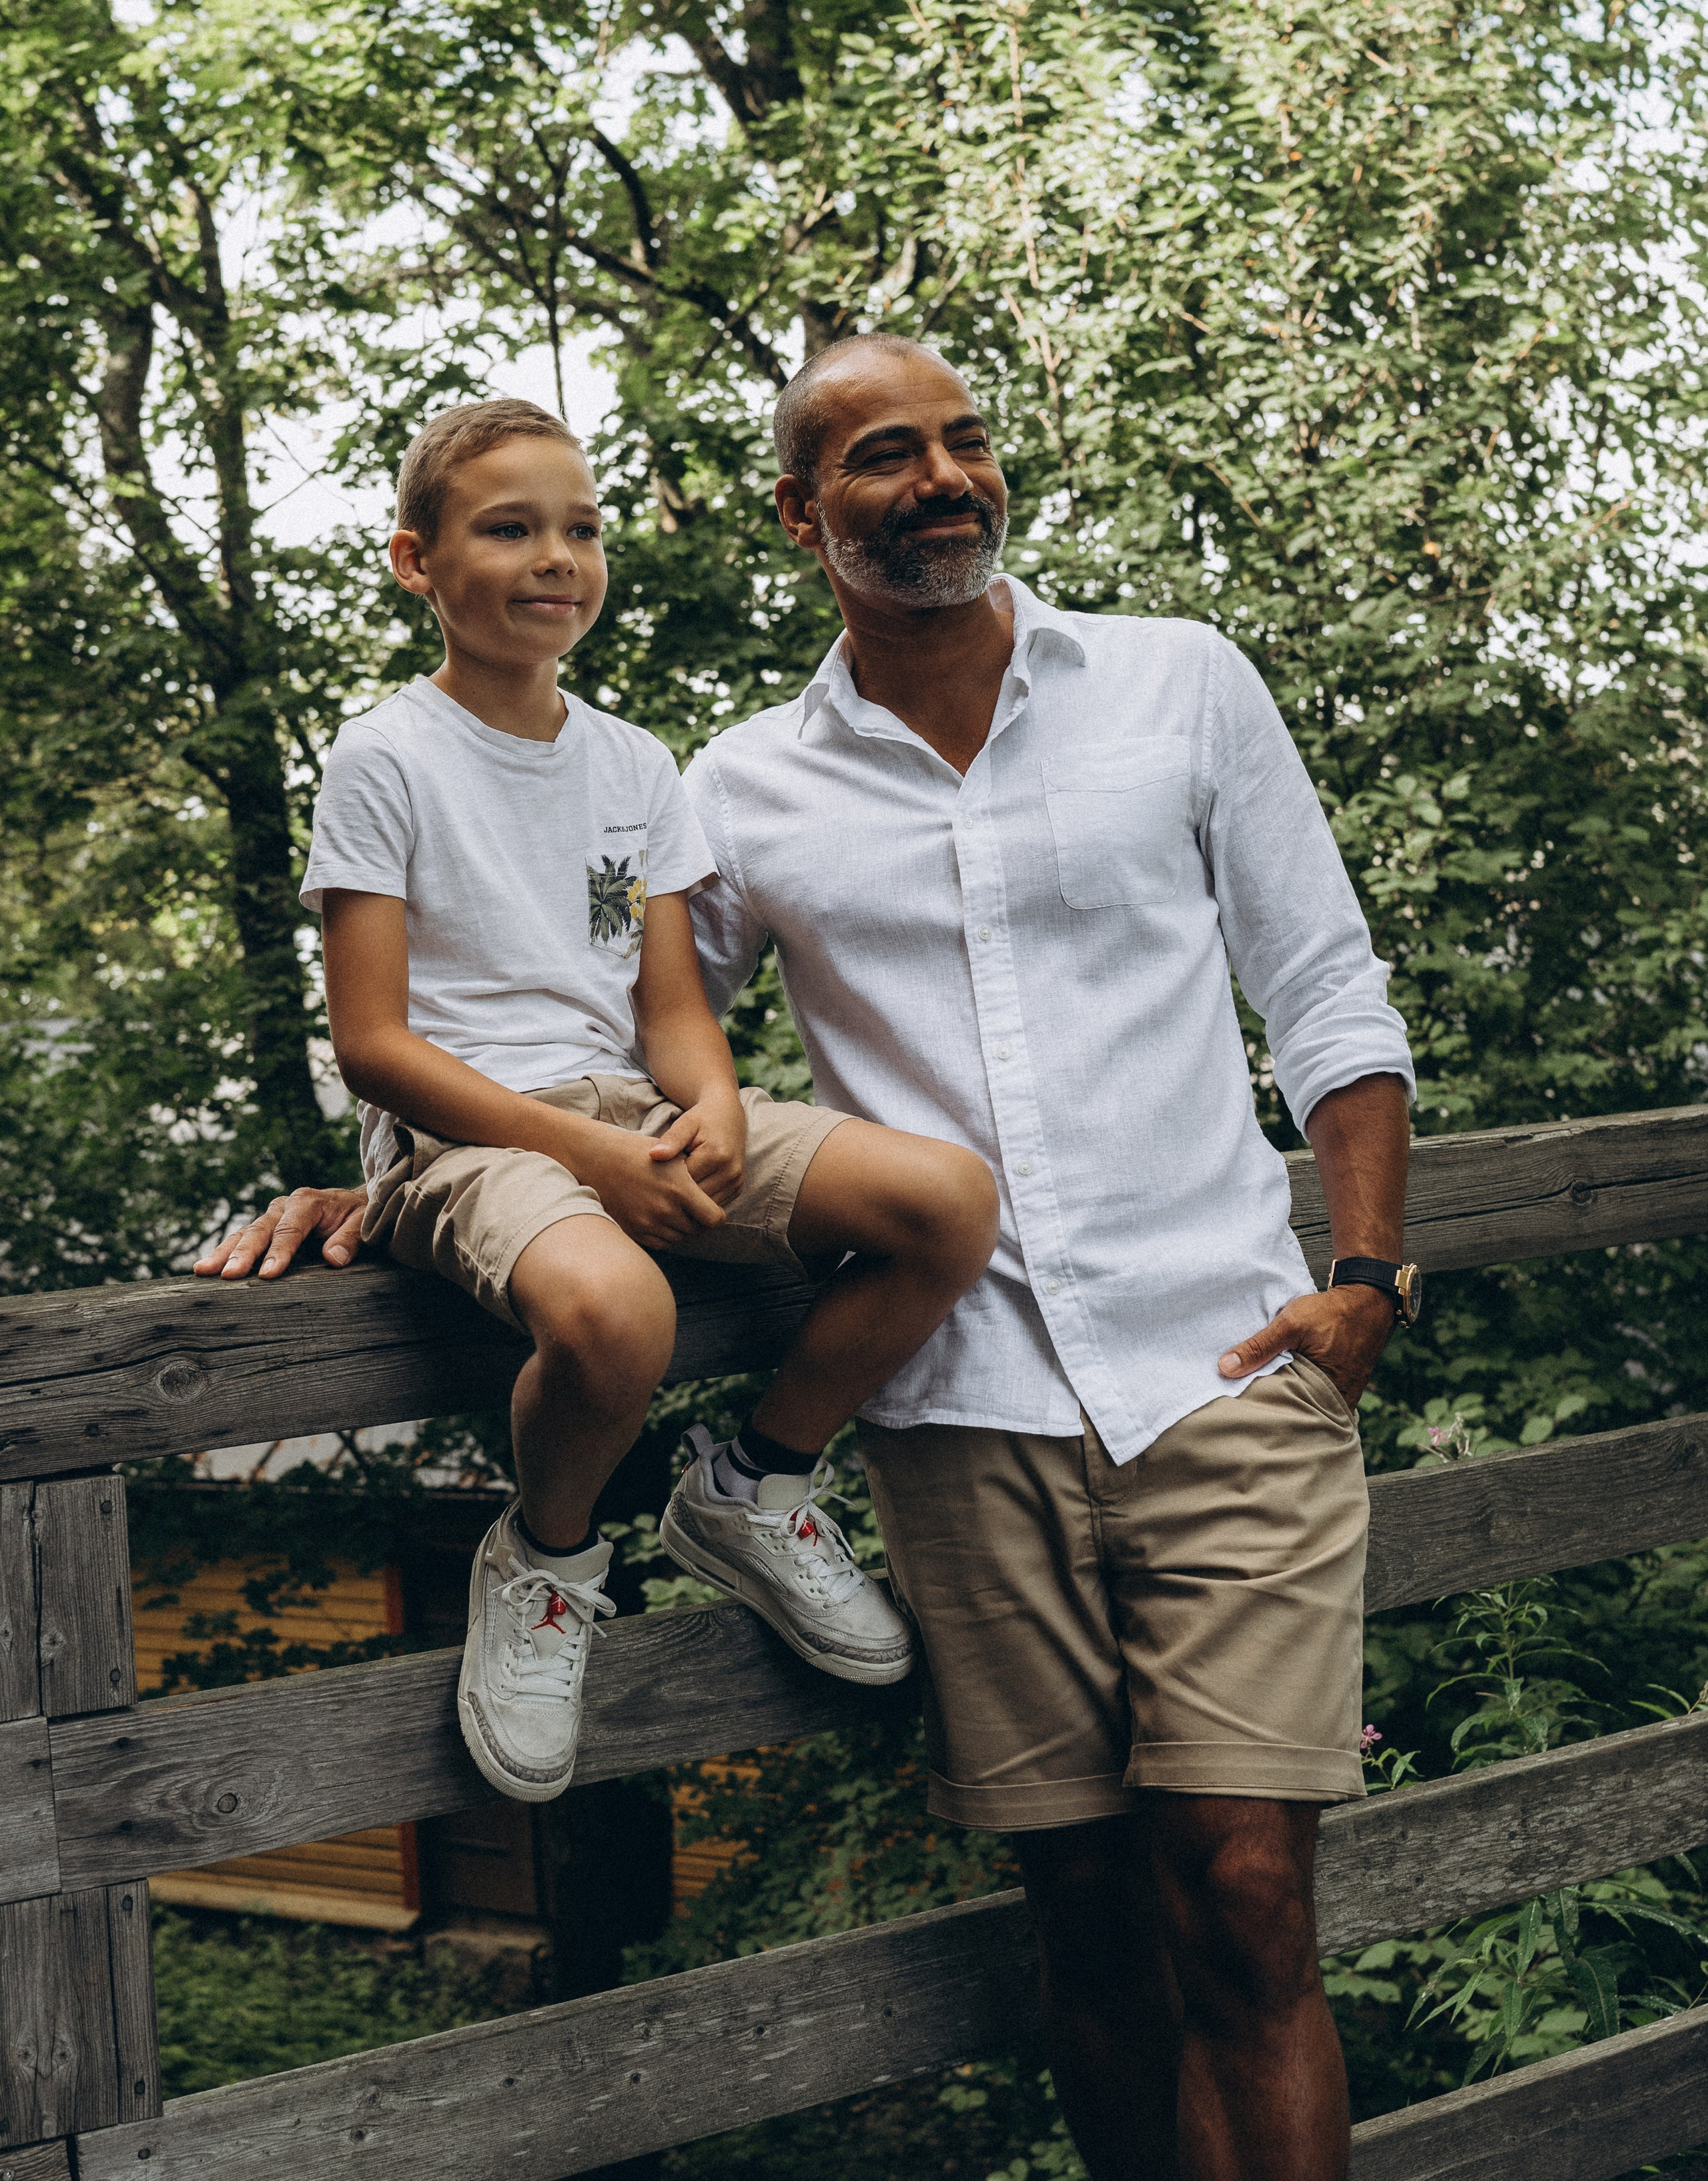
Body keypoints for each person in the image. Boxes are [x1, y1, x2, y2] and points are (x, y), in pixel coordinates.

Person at [216, 342, 1414, 2181]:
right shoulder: (739, 786)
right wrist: (366, 1186)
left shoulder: (1179, 683)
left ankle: (734, 1480)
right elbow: (559, 1029)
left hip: (1223, 1362)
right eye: (881, 456)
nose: (941, 477)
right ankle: (641, 1525)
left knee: (1248, 1898)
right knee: (1090, 1920)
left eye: (965, 441)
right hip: (965, 1414)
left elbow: (1329, 991)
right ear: (803, 513)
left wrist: (1370, 1274)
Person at [269, 394, 998, 1808]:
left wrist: (712, 1105)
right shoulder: (385, 757)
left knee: (945, 1201)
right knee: (620, 1315)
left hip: (618, 1107)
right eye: (509, 530)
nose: (557, 558)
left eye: (581, 529)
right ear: (417, 561)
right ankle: (546, 1559)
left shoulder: (633, 764)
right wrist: (596, 1164)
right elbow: (371, 1044)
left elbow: (668, 1008)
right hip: (467, 1134)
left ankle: (756, 1480)